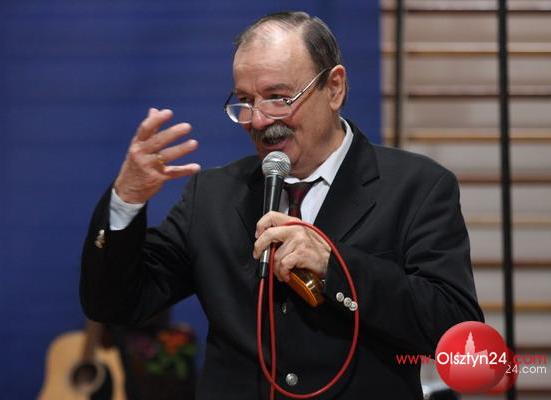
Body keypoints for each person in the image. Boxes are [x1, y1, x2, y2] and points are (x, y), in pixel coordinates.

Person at [80, 11, 483, 399]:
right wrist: (126, 199)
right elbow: (114, 303)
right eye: (245, 101)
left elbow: (454, 333)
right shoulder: (213, 195)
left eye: (277, 98)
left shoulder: (417, 187)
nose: (258, 120)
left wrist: (335, 267)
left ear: (335, 88)